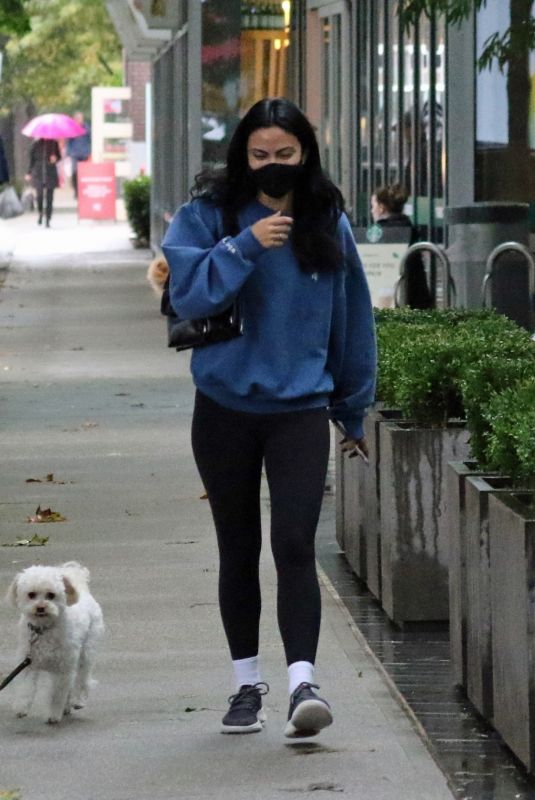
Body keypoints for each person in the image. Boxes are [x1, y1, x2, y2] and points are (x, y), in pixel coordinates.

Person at [162, 97, 376, 738]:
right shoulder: (207, 215)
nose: (272, 165)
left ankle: (303, 683)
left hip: (301, 410)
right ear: (242, 155)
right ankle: (244, 684)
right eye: (260, 155)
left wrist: (353, 409)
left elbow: (351, 318)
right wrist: (243, 246)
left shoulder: (325, 221)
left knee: (293, 543)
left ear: (305, 153)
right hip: (224, 407)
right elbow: (187, 295)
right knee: (238, 546)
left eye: (285, 155)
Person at [371, 184, 433, 309]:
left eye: (373, 206)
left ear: (381, 208)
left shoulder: (378, 233)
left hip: (389, 298)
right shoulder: (409, 228)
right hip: (417, 296)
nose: (372, 211)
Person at [25, 138, 61, 227]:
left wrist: (55, 158)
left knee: (50, 197)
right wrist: (28, 172)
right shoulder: (35, 144)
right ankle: (40, 212)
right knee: (39, 196)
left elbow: (59, 156)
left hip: (50, 172)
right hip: (38, 173)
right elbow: (31, 160)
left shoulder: (53, 143)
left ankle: (48, 218)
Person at [66, 112, 91, 198]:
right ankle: (76, 191)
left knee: (84, 173)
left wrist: (89, 151)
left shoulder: (87, 128)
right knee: (74, 172)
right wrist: (68, 152)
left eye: (80, 118)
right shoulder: (72, 129)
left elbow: (90, 139)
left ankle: (83, 190)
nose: (79, 120)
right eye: (77, 119)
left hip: (85, 153)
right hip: (75, 154)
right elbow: (68, 142)